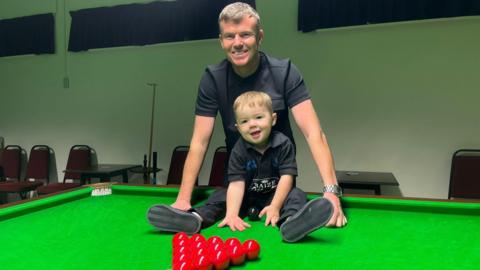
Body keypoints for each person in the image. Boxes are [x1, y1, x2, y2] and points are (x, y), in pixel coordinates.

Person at [150, 2, 346, 228]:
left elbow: (314, 134)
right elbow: (199, 142)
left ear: (259, 36)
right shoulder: (212, 79)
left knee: (296, 199)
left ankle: (292, 223)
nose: (238, 43)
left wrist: (331, 193)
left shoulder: (286, 73)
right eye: (229, 36)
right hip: (238, 179)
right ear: (221, 41)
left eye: (245, 35)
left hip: (279, 181)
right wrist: (183, 199)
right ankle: (192, 219)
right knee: (218, 200)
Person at [147, 91, 333, 242]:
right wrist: (233, 214)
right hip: (244, 198)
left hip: (276, 196)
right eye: (245, 121)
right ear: (237, 127)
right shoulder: (239, 150)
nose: (252, 124)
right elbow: (236, 185)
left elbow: (287, 177)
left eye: (259, 117)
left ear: (273, 119)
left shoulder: (283, 143)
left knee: (297, 194)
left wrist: (275, 207)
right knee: (220, 195)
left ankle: (291, 222)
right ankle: (195, 219)